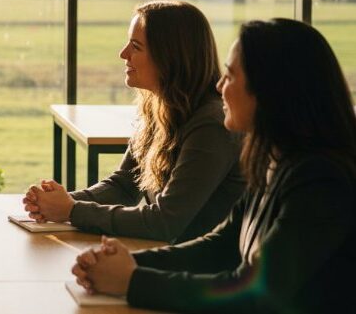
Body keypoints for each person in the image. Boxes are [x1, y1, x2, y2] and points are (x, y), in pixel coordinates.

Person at [71, 18, 356, 313]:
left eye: (230, 76)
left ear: (270, 91)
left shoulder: (321, 180)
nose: (219, 86)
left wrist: (132, 281)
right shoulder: (275, 160)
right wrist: (126, 264)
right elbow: (219, 246)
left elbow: (258, 293)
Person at [24, 0, 244, 242]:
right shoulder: (158, 108)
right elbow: (124, 186)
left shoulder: (211, 126)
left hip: (204, 270)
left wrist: (71, 210)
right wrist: (60, 201)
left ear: (170, 56)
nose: (123, 54)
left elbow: (165, 222)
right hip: (171, 256)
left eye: (136, 46)